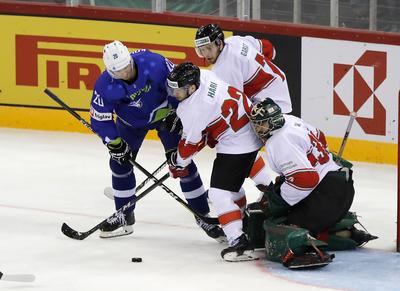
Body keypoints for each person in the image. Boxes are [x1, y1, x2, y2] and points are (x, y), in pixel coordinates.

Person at [89, 40, 225, 241]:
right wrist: (113, 142)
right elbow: (100, 118)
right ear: (109, 70)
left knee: (182, 163)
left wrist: (178, 114)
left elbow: (178, 86)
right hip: (131, 124)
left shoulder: (153, 63)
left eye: (126, 67)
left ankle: (202, 215)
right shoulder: (104, 85)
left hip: (166, 118)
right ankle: (124, 216)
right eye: (118, 72)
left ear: (130, 60)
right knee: (119, 163)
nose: (124, 74)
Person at [247, 98, 377, 268]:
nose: (257, 129)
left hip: (325, 198)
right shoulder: (291, 120)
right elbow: (320, 137)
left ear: (273, 121)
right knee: (299, 211)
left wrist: (278, 200)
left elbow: (306, 180)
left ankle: (305, 250)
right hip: (341, 186)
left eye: (261, 124)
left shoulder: (279, 142)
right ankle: (345, 232)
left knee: (280, 223)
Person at [166, 62, 263, 262]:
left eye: (178, 90)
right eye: (172, 88)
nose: (174, 93)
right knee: (233, 188)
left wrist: (178, 164)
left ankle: (239, 243)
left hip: (237, 144)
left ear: (191, 88)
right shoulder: (204, 76)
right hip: (252, 130)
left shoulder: (192, 110)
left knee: (219, 194)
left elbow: (189, 146)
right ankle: (242, 222)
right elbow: (212, 118)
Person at [194, 23, 292, 190]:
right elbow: (268, 48)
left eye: (208, 48)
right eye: (201, 50)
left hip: (272, 104)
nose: (205, 54)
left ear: (219, 43)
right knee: (245, 142)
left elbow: (233, 105)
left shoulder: (225, 68)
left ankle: (278, 189)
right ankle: (267, 187)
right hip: (278, 87)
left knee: (240, 141)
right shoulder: (236, 41)